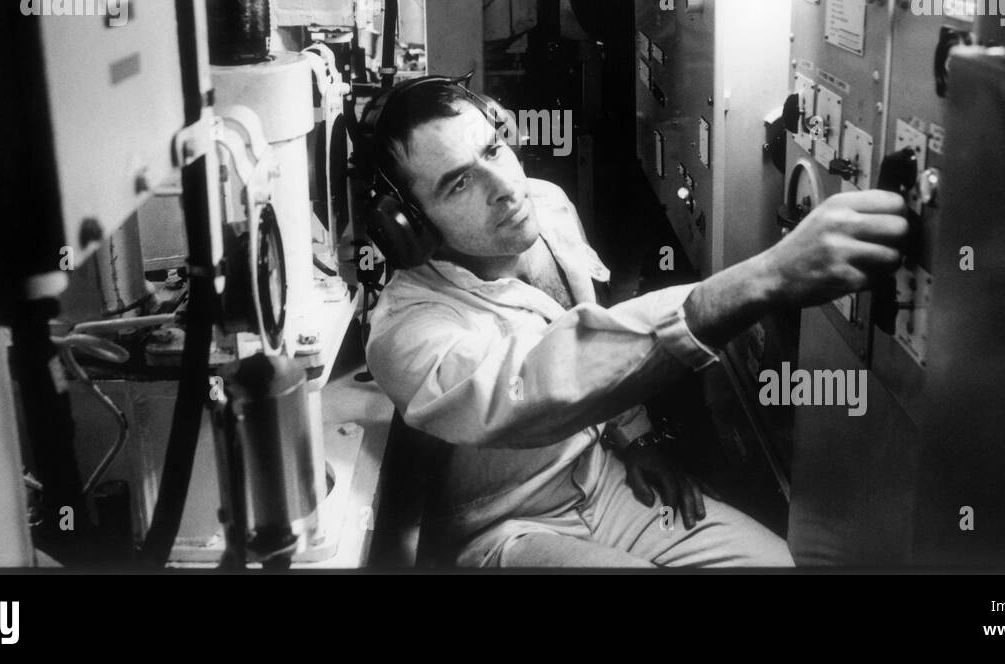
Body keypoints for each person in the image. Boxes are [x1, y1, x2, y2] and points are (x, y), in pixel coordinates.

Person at [361, 76, 908, 568]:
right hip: (505, 529)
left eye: (494, 149)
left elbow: (595, 331)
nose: (503, 187)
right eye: (458, 184)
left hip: (601, 479)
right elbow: (537, 388)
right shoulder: (405, 330)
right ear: (410, 225)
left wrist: (638, 437)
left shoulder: (547, 207)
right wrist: (764, 278)